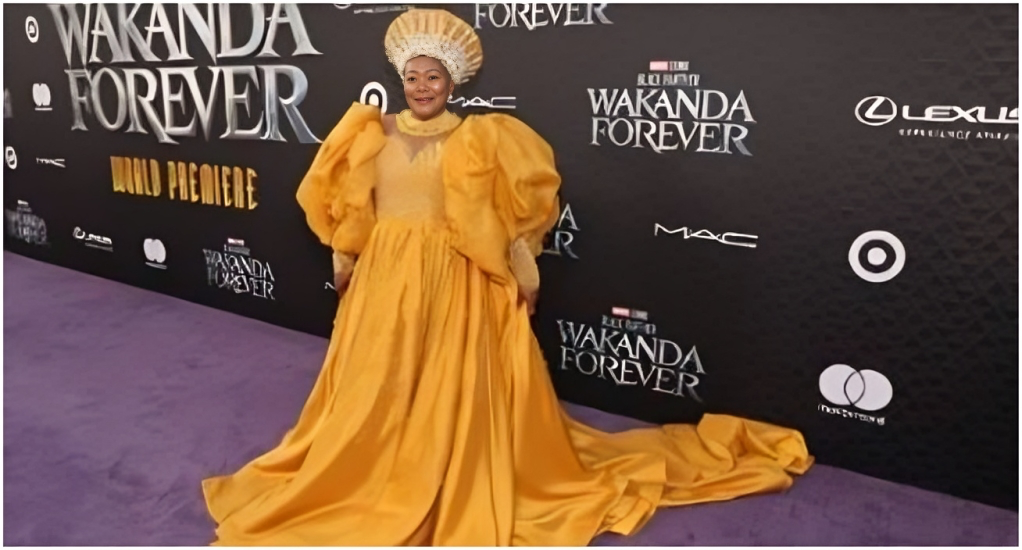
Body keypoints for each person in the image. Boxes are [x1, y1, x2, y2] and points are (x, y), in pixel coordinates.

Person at [201, 8, 812, 546]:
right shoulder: (370, 130)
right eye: (412, 77)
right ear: (400, 78)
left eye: (432, 77)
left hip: (458, 279)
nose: (421, 87)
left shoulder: (482, 137)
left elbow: (514, 216)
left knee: (454, 390)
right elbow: (346, 205)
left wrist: (522, 276)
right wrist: (346, 262)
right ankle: (376, 468)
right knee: (375, 389)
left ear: (451, 81)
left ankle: (442, 469)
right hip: (387, 278)